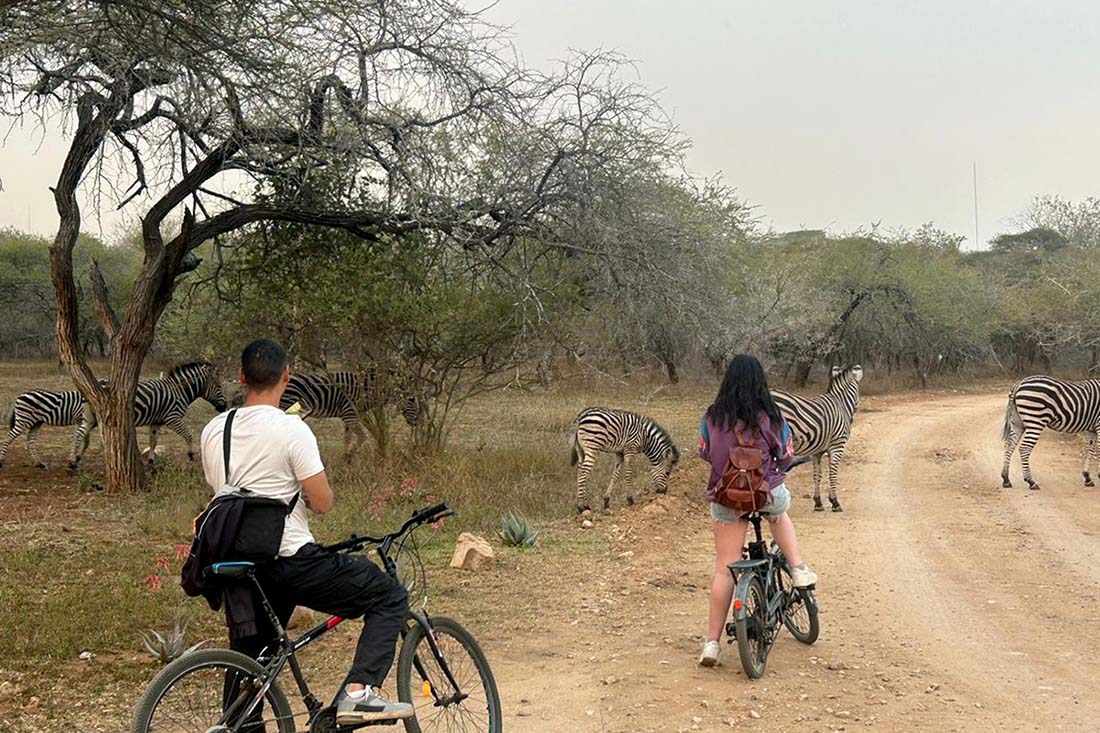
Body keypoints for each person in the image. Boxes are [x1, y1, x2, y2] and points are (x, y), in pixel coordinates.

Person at [200, 339, 413, 724]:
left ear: (242, 377)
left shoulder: (215, 429)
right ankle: (358, 693)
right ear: (286, 376)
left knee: (251, 665)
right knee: (389, 596)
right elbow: (322, 502)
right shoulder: (292, 429)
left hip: (235, 565)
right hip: (287, 560)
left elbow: (222, 489)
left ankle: (235, 724)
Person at [696, 354, 817, 667]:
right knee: (779, 512)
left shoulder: (712, 417)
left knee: (725, 568)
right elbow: (786, 453)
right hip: (765, 494)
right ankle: (797, 568)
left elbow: (704, 453)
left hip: (726, 497)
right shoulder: (771, 416)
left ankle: (711, 644)